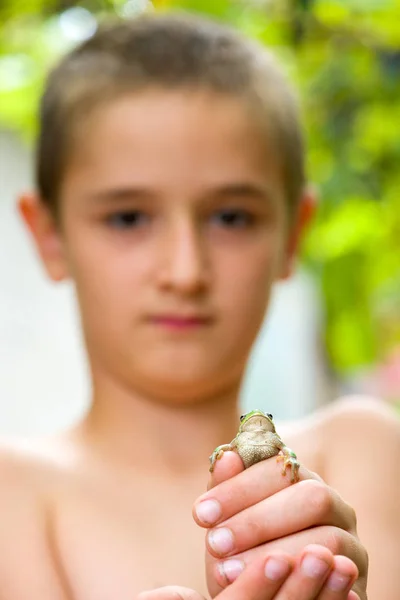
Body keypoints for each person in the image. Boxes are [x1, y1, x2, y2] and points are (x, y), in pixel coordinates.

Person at [2, 10, 399, 600]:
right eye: (128, 218)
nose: (185, 272)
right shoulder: (12, 501)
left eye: (231, 217)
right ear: (49, 236)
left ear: (293, 234)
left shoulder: (366, 453)